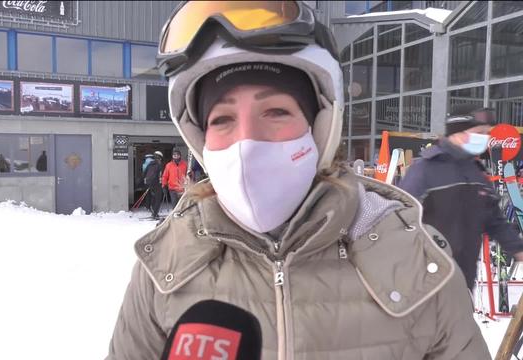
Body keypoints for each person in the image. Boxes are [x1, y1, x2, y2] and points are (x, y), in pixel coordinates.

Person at [108, 2, 489, 359]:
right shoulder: (163, 269)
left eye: (275, 111)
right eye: (222, 119)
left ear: (318, 129)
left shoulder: (413, 261)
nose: (246, 143)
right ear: (200, 141)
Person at [399, 104, 523, 289]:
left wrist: (518, 249)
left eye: (487, 133)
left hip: (464, 278)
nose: (485, 138)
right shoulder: (425, 169)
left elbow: (494, 220)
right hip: (425, 279)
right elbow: (399, 219)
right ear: (459, 132)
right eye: (480, 132)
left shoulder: (477, 173)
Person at [142, 150, 164, 219]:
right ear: (160, 157)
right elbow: (160, 175)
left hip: (150, 184)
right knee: (157, 199)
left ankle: (153, 212)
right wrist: (163, 184)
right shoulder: (159, 164)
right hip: (157, 184)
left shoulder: (149, 164)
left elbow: (144, 173)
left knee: (153, 198)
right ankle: (155, 214)